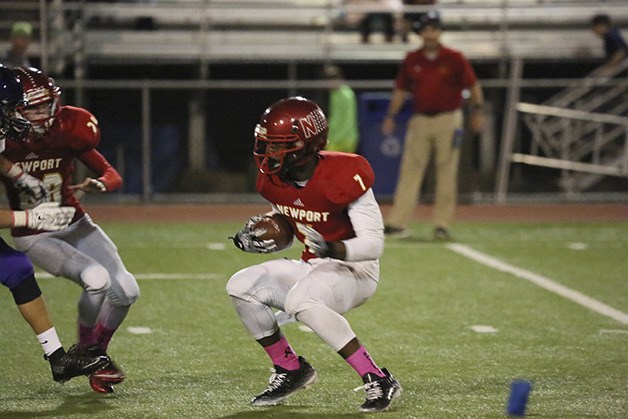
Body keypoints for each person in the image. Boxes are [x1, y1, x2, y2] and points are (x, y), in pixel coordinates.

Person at [227, 96, 401, 413]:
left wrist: (333, 248)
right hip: (313, 264)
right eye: (267, 144)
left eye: (279, 145)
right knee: (241, 286)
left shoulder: (346, 173)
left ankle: (377, 377)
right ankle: (290, 369)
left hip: (355, 269)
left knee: (300, 302)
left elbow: (374, 244)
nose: (270, 153)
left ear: (306, 144)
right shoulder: (272, 181)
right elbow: (289, 226)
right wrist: (266, 237)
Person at [0, 66, 140, 394]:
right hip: (35, 233)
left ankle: (91, 352)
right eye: (30, 107)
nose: (40, 115)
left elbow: (110, 173)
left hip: (73, 221)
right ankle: (87, 351)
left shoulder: (66, 131)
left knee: (127, 291)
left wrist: (99, 184)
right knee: (97, 280)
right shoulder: (9, 139)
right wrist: (26, 215)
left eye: (44, 105)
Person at [380, 11, 485, 240]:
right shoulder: (412, 59)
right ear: (421, 33)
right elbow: (401, 90)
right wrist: (391, 115)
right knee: (410, 170)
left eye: (434, 28)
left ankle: (442, 224)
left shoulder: (454, 57)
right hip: (420, 118)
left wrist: (477, 111)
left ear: (439, 31)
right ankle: (397, 222)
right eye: (426, 29)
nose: (430, 33)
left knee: (446, 170)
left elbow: (473, 86)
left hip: (448, 117)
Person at [323, 65, 359, 153]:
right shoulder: (333, 94)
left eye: (333, 80)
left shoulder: (347, 95)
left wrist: (333, 137)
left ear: (339, 78)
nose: (330, 84)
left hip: (345, 139)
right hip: (336, 138)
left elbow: (348, 119)